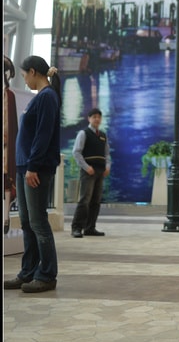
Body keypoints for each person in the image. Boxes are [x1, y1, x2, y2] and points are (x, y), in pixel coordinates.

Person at [4, 55, 62, 293]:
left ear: (34, 72)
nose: (25, 79)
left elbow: (43, 135)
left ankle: (47, 275)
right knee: (27, 222)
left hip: (34, 168)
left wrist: (33, 167)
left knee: (38, 222)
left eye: (24, 75)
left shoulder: (47, 97)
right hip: (24, 166)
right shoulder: (40, 97)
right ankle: (28, 272)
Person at [70, 108, 110, 238]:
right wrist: (87, 167)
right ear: (89, 119)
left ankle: (90, 227)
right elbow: (76, 152)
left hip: (100, 171)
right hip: (88, 171)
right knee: (84, 200)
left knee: (96, 201)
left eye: (99, 117)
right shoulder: (84, 133)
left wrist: (107, 166)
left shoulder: (103, 135)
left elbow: (107, 154)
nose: (97, 119)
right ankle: (76, 228)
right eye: (94, 117)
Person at [4, 55, 18, 234]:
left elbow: (11, 125)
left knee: (7, 182)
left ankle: (5, 218)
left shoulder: (9, 96)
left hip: (5, 148)